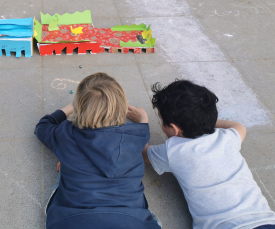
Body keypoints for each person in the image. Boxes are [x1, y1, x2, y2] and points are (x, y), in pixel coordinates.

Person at [127, 79, 275, 229]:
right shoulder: (226, 138)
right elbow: (238, 126)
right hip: (265, 221)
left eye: (161, 120)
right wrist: (203, 121)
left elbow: (142, 153)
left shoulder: (173, 151)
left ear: (173, 128)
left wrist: (142, 123)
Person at [35, 72, 161, 229]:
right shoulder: (136, 136)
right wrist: (144, 120)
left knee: (64, 168)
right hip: (132, 221)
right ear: (121, 106)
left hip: (70, 221)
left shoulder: (65, 134)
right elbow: (143, 130)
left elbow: (44, 125)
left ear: (80, 107)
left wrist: (72, 106)